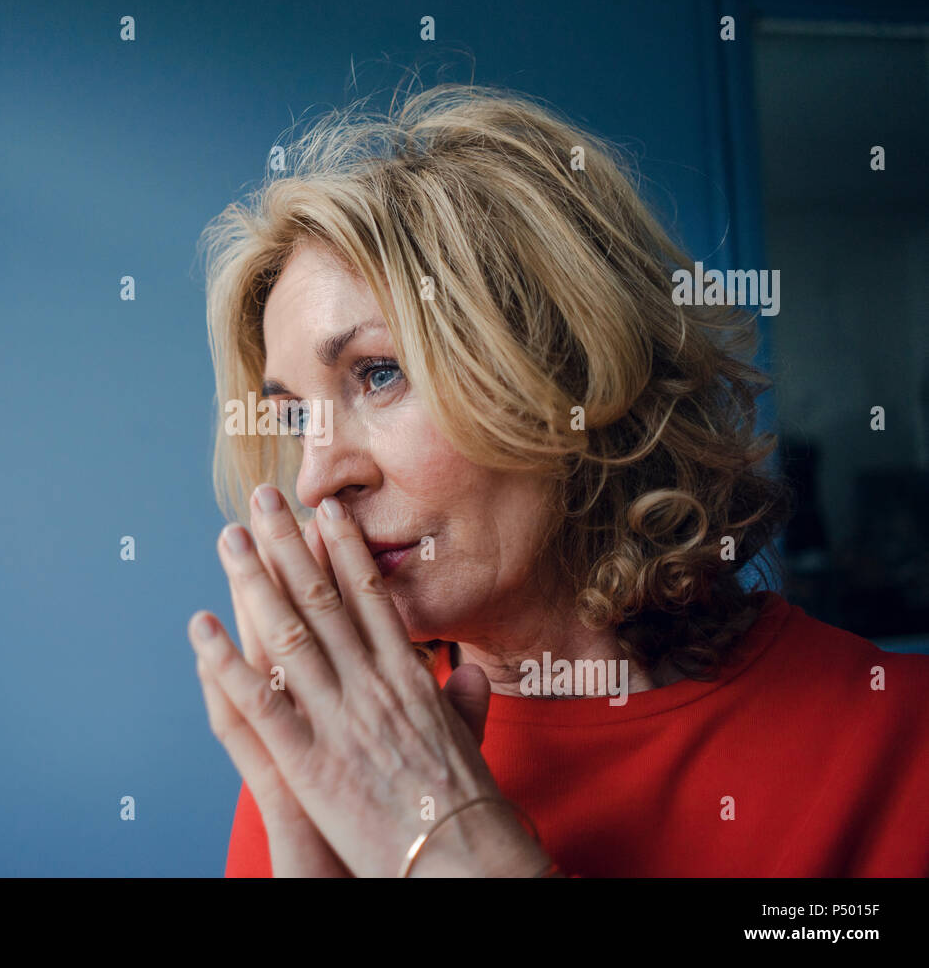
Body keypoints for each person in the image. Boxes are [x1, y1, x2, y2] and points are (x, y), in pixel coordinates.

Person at [187, 83, 929, 877]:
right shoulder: (335, 744)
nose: (317, 478)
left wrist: (467, 853)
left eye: (378, 373)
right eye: (295, 416)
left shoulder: (898, 741)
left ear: (575, 374)